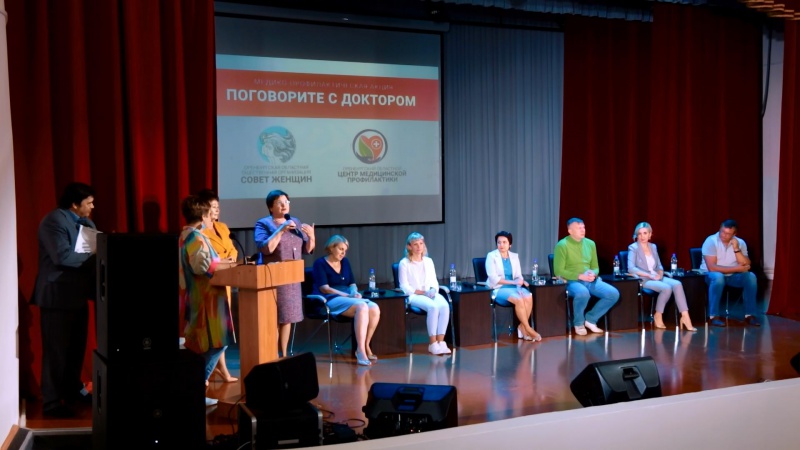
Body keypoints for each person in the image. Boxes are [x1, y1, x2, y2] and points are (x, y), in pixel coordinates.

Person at [32, 182, 97, 417]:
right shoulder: (54, 221)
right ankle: (51, 403)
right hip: (57, 298)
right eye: (89, 202)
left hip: (78, 296)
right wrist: (96, 254)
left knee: (76, 350)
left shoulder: (87, 224)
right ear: (74, 204)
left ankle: (71, 393)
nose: (92, 207)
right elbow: (62, 256)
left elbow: (91, 255)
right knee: (56, 353)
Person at [179, 195, 238, 407]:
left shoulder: (187, 235)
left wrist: (222, 262)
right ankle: (194, 387)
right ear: (203, 216)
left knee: (210, 345)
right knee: (215, 344)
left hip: (204, 298)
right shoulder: (195, 237)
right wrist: (229, 265)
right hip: (206, 300)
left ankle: (195, 387)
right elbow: (202, 267)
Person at [254, 190, 315, 357]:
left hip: (292, 278)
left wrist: (311, 236)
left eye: (286, 202)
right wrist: (280, 230)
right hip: (274, 278)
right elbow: (265, 248)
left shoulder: (295, 222)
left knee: (287, 317)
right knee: (275, 317)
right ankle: (271, 354)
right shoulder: (263, 224)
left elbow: (307, 249)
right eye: (280, 203)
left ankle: (285, 353)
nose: (284, 205)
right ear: (270, 207)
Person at [312, 235, 381, 366]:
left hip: (347, 298)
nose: (343, 253)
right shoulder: (320, 263)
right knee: (362, 306)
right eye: (341, 249)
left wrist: (354, 292)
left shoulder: (345, 262)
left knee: (374, 308)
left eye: (345, 250)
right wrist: (346, 295)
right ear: (331, 248)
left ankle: (366, 345)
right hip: (329, 299)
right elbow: (325, 288)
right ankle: (360, 350)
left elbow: (352, 283)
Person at [197, 189, 238, 383]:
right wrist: (223, 260)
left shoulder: (222, 227)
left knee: (222, 333)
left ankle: (220, 368)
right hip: (209, 282)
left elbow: (232, 249)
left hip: (225, 281)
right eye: (213, 207)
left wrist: (231, 258)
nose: (217, 210)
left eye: (218, 207)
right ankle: (207, 371)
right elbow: (207, 259)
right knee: (215, 333)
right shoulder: (199, 232)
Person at [553, 218, 619, 336]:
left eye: (583, 227)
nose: (582, 230)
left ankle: (591, 319)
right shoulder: (562, 245)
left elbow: (595, 267)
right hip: (571, 280)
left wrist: (593, 273)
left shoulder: (590, 244)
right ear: (570, 231)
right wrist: (579, 276)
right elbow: (558, 271)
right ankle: (579, 323)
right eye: (579, 228)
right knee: (583, 293)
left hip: (589, 279)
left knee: (613, 294)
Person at [627, 222, 696, 331]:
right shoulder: (633, 248)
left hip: (656, 276)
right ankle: (658, 315)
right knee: (666, 288)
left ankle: (685, 317)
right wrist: (649, 275)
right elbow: (631, 268)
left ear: (650, 234)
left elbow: (659, 265)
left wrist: (659, 274)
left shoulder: (653, 247)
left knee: (677, 284)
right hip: (644, 279)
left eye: (645, 233)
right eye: (639, 234)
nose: (642, 236)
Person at [397, 232, 452, 355]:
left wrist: (433, 289)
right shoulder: (404, 263)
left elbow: (434, 281)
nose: (419, 247)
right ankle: (432, 343)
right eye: (415, 244)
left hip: (429, 292)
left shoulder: (428, 261)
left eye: (421, 243)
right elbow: (404, 286)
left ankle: (441, 342)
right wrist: (422, 292)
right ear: (409, 247)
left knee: (444, 306)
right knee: (433, 307)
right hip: (414, 295)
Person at [699, 219, 759, 327]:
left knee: (751, 277)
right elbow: (712, 268)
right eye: (722, 231)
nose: (724, 235)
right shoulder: (711, 241)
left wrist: (736, 249)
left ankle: (750, 315)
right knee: (718, 277)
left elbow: (746, 263)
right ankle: (713, 316)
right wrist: (737, 268)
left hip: (732, 276)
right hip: (710, 275)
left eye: (728, 234)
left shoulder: (740, 243)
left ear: (734, 234)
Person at [485, 231, 541, 341]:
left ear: (510, 244)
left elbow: (518, 276)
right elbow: (494, 279)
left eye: (504, 242)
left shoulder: (514, 256)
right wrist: (514, 283)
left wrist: (520, 284)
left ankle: (522, 327)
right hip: (498, 288)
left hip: (513, 287)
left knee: (528, 296)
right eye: (499, 242)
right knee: (519, 299)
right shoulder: (491, 256)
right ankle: (528, 329)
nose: (501, 245)